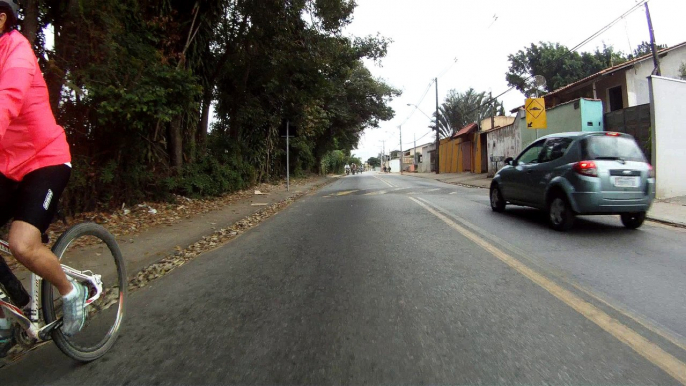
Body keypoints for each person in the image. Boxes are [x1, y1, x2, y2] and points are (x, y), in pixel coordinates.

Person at [0, 0, 86, 347]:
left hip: (45, 161)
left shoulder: (17, 52)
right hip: (9, 167)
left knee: (22, 245)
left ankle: (71, 291)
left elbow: (7, 101)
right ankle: (15, 307)